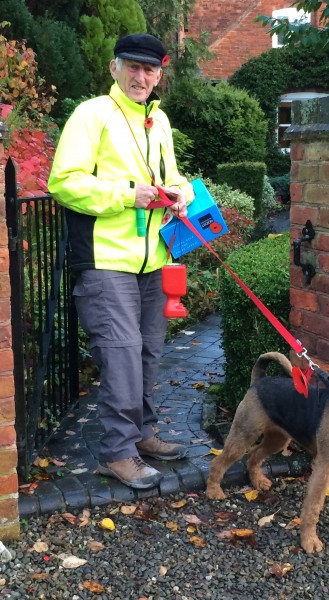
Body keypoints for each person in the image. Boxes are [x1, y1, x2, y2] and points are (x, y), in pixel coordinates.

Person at [48, 33, 194, 490]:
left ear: (159, 75)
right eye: (132, 66)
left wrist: (181, 193)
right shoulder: (92, 115)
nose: (140, 76)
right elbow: (63, 182)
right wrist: (128, 196)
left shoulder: (160, 121)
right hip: (105, 260)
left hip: (154, 260)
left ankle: (143, 434)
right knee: (122, 355)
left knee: (149, 353)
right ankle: (117, 451)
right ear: (115, 68)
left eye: (149, 69)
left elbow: (171, 177)